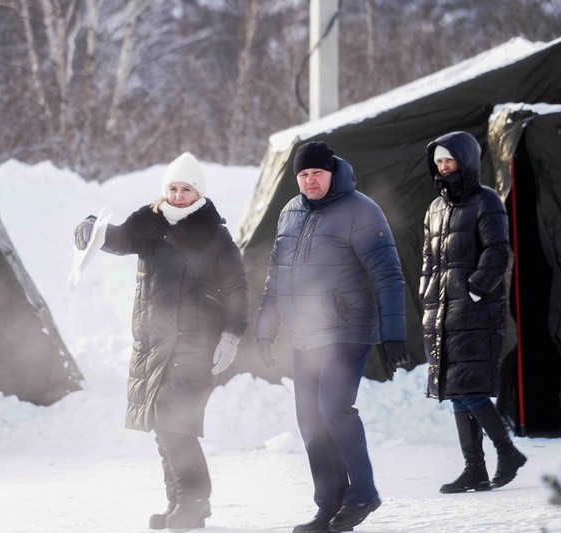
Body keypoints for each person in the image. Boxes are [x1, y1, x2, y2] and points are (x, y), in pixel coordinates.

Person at [74, 152, 248, 530]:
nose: (179, 196)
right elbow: (117, 238)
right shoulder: (149, 223)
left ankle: (195, 501)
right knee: (160, 423)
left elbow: (236, 286)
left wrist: (231, 336)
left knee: (175, 422)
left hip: (195, 342)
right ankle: (179, 502)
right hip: (153, 342)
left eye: (187, 189)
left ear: (198, 193)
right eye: (173, 188)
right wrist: (90, 227)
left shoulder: (214, 233)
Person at [254, 141, 409, 533]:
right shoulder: (290, 212)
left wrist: (393, 333)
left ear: (332, 172)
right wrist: (266, 328)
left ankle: (364, 494)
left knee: (333, 408)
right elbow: (276, 276)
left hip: (347, 328)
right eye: (303, 174)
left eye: (317, 173)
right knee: (310, 421)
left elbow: (388, 274)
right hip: (304, 332)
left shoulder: (361, 210)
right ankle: (330, 505)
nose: (310, 181)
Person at [420, 131, 527, 495]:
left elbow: (497, 250)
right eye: (438, 162)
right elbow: (429, 259)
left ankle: (507, 452)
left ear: (465, 161)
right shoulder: (435, 208)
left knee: (469, 388)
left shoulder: (486, 200)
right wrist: (427, 293)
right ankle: (475, 469)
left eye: (448, 160)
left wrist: (475, 290)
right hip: (442, 311)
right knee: (455, 389)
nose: (443, 167)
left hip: (475, 310)